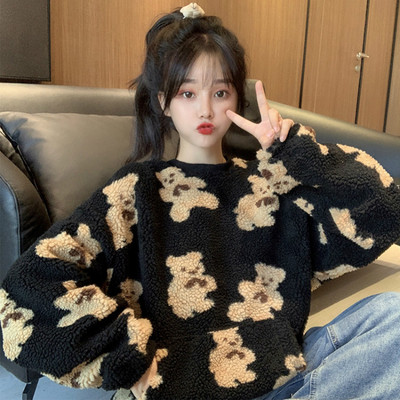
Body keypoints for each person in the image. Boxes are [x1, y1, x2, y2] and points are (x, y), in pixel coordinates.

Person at [1, 3, 400, 400]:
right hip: (177, 389)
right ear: (164, 102)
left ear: (236, 99)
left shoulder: (271, 182)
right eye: (188, 93)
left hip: (287, 379)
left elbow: (384, 213)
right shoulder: (135, 191)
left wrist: (298, 156)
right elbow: (26, 289)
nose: (206, 109)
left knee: (392, 314)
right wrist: (124, 356)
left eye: (220, 92)